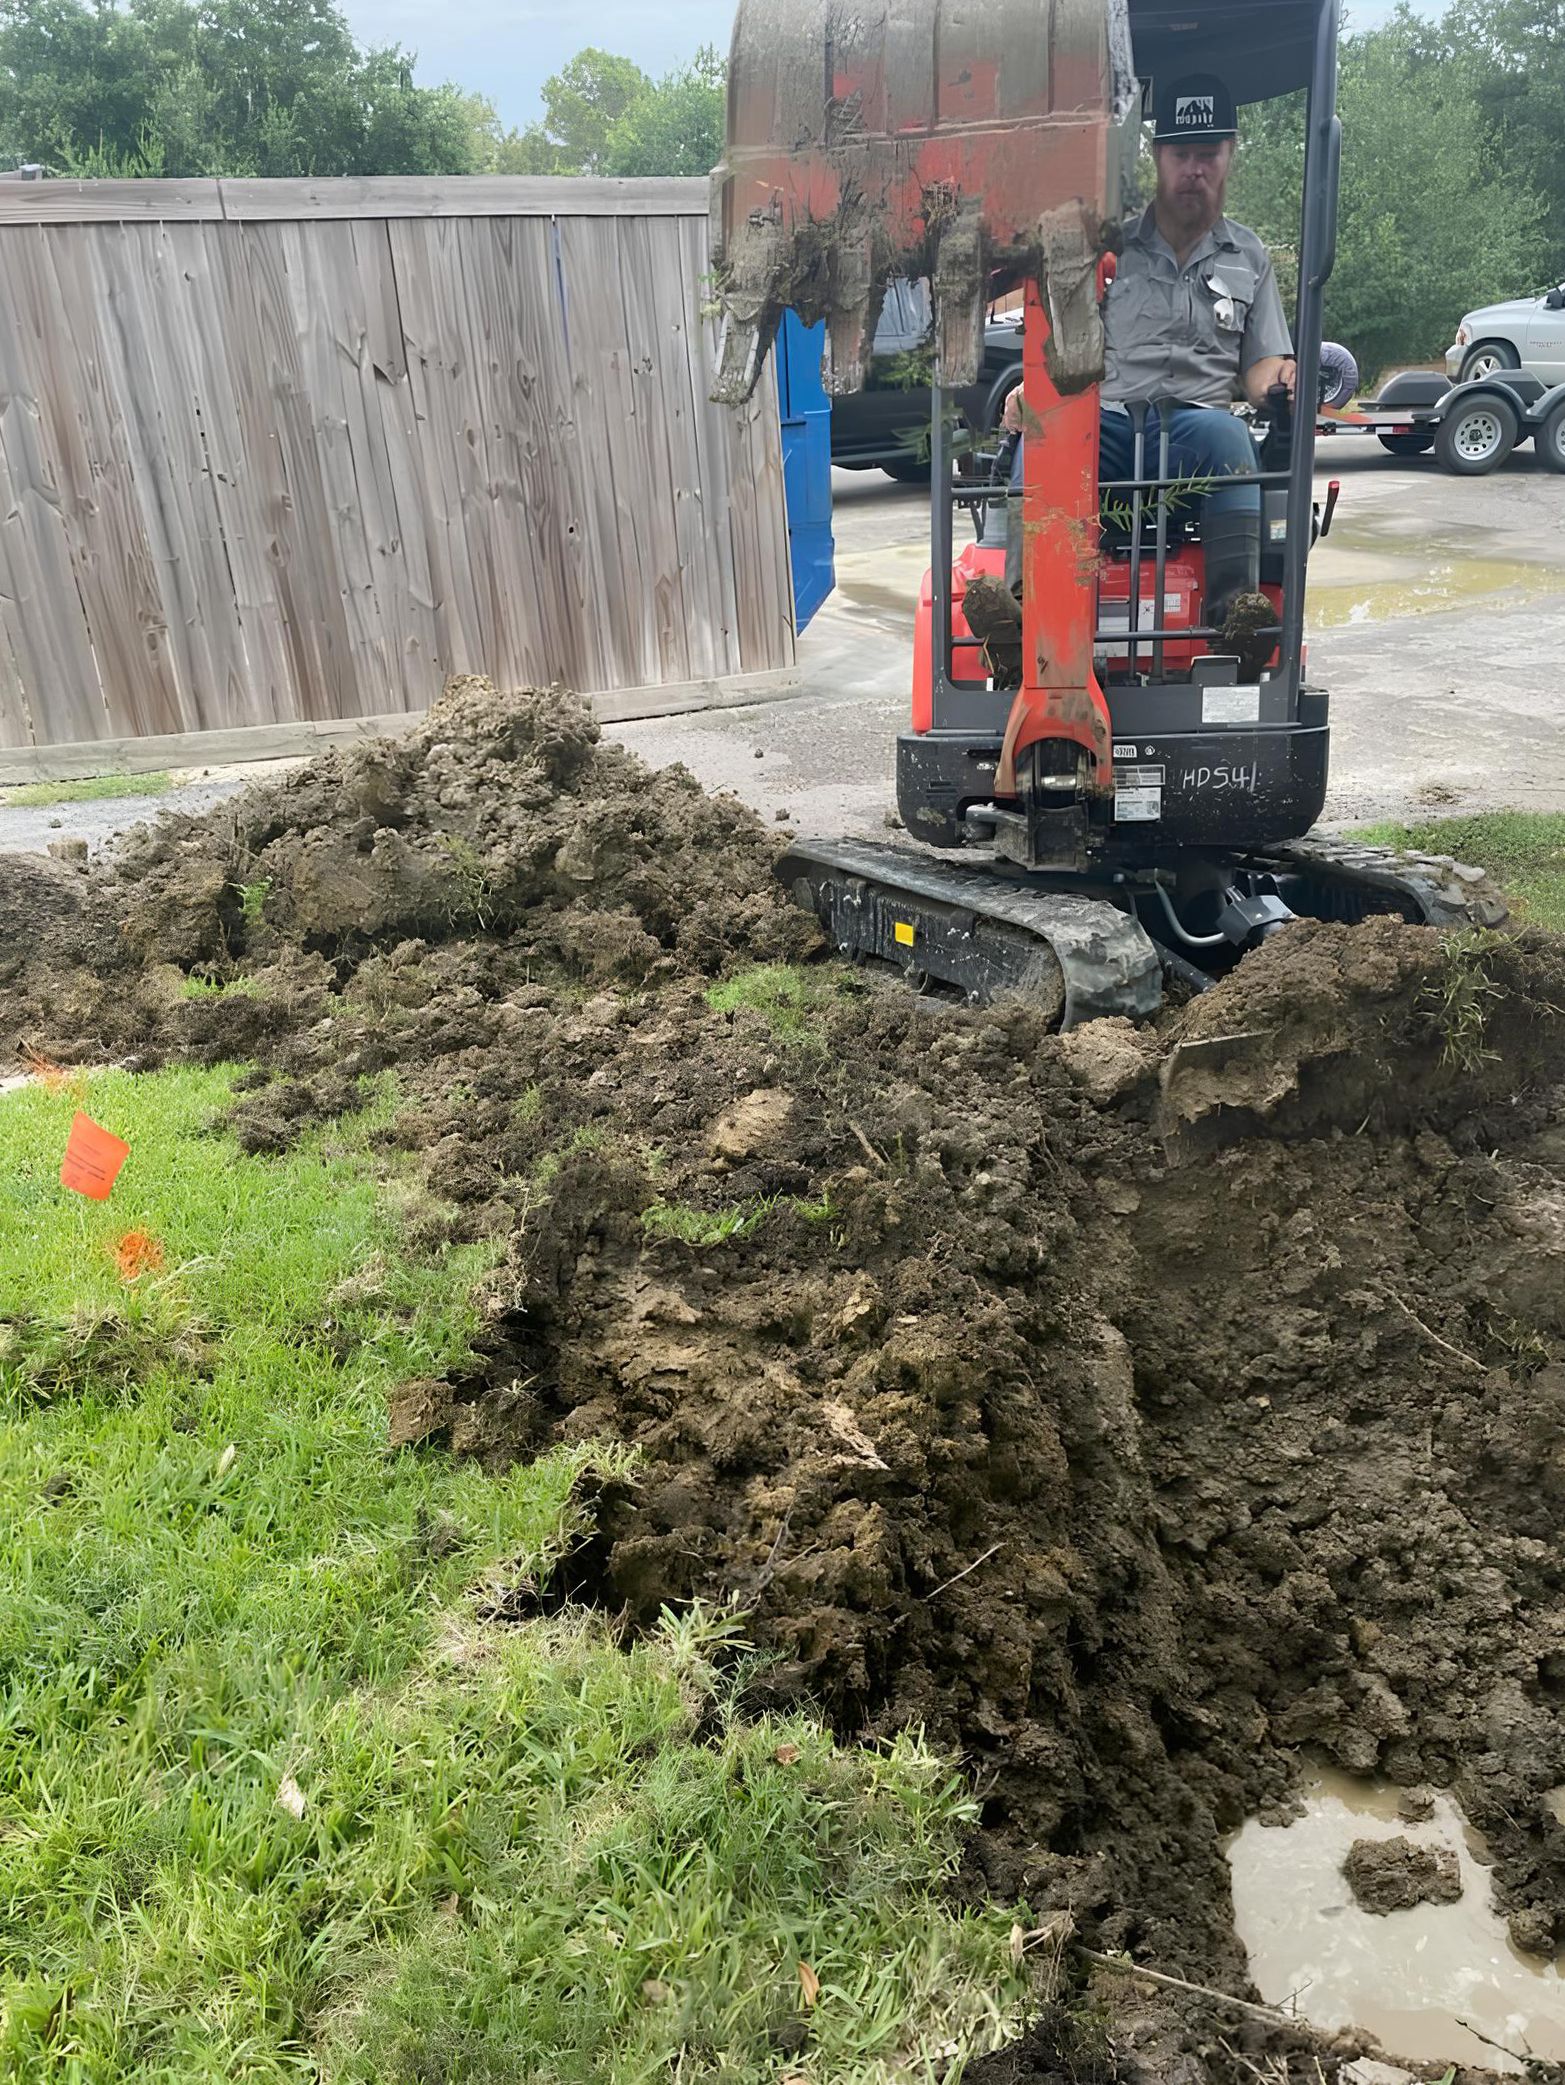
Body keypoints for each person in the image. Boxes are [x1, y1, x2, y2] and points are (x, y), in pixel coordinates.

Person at [1001, 71, 1295, 651]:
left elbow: (1262, 368)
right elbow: (1060, 344)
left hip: (1196, 431)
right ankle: (1019, 618)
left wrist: (1285, 379)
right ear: (1158, 158)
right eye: (1182, 154)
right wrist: (1028, 392)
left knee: (1232, 437)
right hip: (1106, 421)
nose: (1195, 169)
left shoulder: (1249, 256)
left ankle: (1236, 615)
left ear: (1229, 156)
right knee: (1044, 432)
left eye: (1208, 154)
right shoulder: (1106, 246)